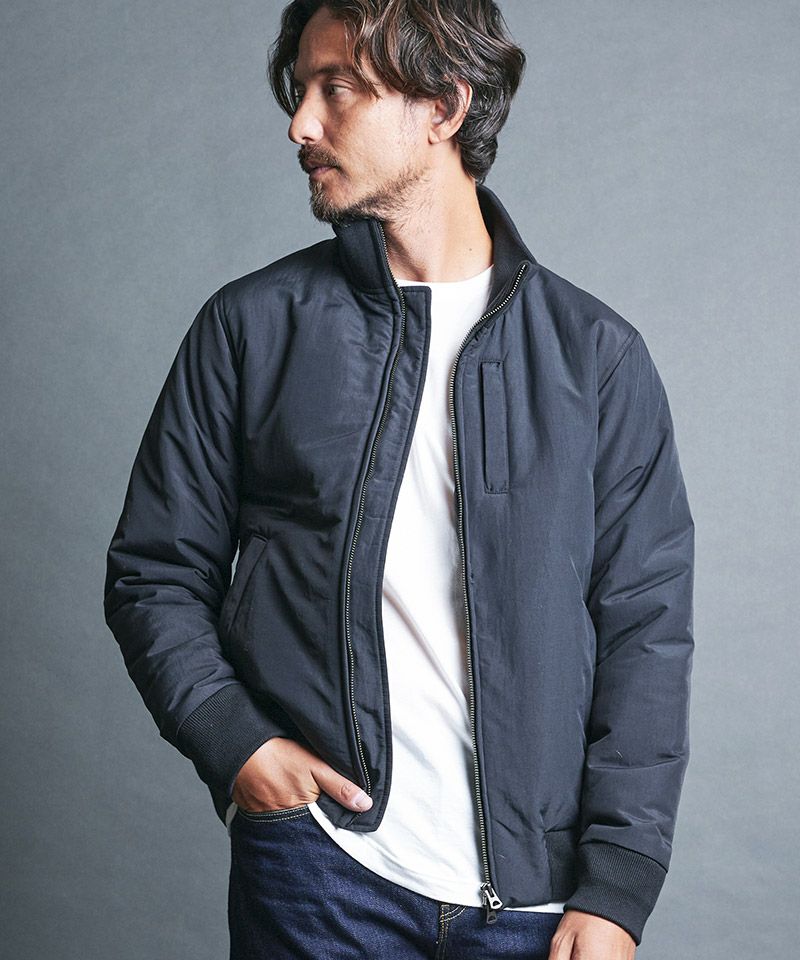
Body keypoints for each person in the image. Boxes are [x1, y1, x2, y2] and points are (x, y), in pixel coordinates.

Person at [103, 2, 695, 958]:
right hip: (321, 874)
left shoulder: (597, 359)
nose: (301, 124)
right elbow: (154, 570)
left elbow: (645, 633)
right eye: (300, 90)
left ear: (445, 107)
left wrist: (620, 884)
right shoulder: (253, 327)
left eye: (338, 88)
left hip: (539, 910)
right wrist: (235, 741)